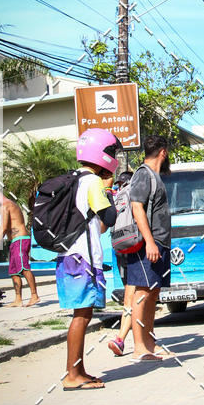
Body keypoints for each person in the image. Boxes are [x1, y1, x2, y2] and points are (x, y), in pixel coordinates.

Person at [56, 128, 120, 390]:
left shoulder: (76, 180)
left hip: (69, 256)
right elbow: (110, 219)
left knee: (82, 313)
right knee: (81, 316)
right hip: (82, 258)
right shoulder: (92, 182)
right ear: (102, 154)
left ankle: (79, 371)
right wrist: (108, 191)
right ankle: (72, 375)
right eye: (112, 152)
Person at [126, 135, 172, 361]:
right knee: (142, 293)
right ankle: (138, 348)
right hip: (147, 245)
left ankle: (150, 344)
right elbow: (137, 208)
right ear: (163, 152)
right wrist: (150, 241)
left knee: (153, 293)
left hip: (160, 244)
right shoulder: (144, 175)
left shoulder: (153, 176)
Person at [0, 191, 40, 307]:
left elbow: (4, 227)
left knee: (23, 267)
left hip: (20, 239)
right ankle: (18, 299)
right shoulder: (6, 205)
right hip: (15, 241)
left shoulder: (6, 205)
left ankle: (34, 295)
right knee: (14, 271)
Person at [107, 170, 136, 357]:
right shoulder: (136, 192)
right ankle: (123, 339)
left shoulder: (115, 196)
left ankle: (132, 338)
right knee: (135, 297)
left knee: (131, 295)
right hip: (136, 248)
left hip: (120, 247)